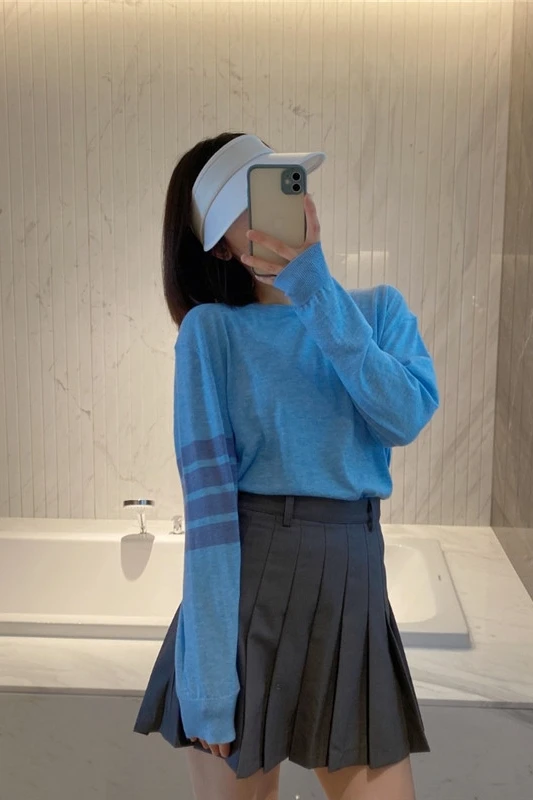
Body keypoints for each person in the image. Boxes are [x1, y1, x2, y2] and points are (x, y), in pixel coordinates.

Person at [134, 133, 439, 800]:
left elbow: (403, 417)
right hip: (250, 596)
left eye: (277, 183)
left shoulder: (377, 310)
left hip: (352, 585)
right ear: (220, 247)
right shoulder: (211, 333)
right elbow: (210, 514)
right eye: (245, 203)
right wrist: (209, 684)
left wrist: (314, 288)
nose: (273, 207)